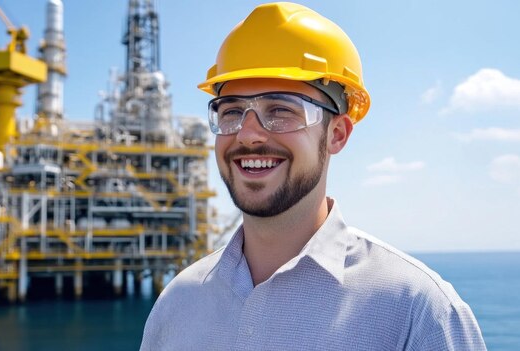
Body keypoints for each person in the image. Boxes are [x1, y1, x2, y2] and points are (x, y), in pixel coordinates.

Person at [140, 2, 487, 350]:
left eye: (280, 110)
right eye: (231, 112)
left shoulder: (418, 312)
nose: (247, 134)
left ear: (337, 134)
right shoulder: (177, 306)